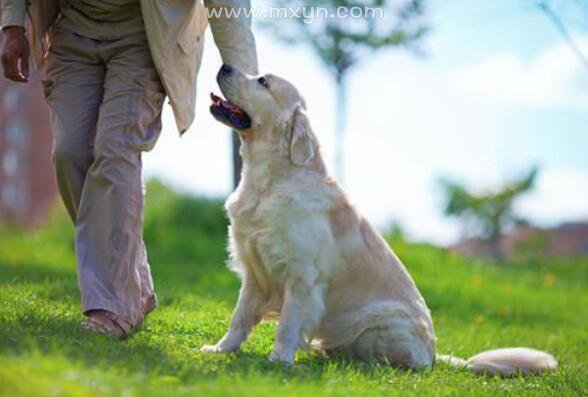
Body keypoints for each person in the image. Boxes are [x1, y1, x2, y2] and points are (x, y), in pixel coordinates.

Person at [0, 0, 258, 339]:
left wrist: (244, 80)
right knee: (70, 153)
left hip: (145, 35)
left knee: (116, 150)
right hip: (71, 28)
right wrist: (12, 25)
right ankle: (133, 281)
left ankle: (113, 307)